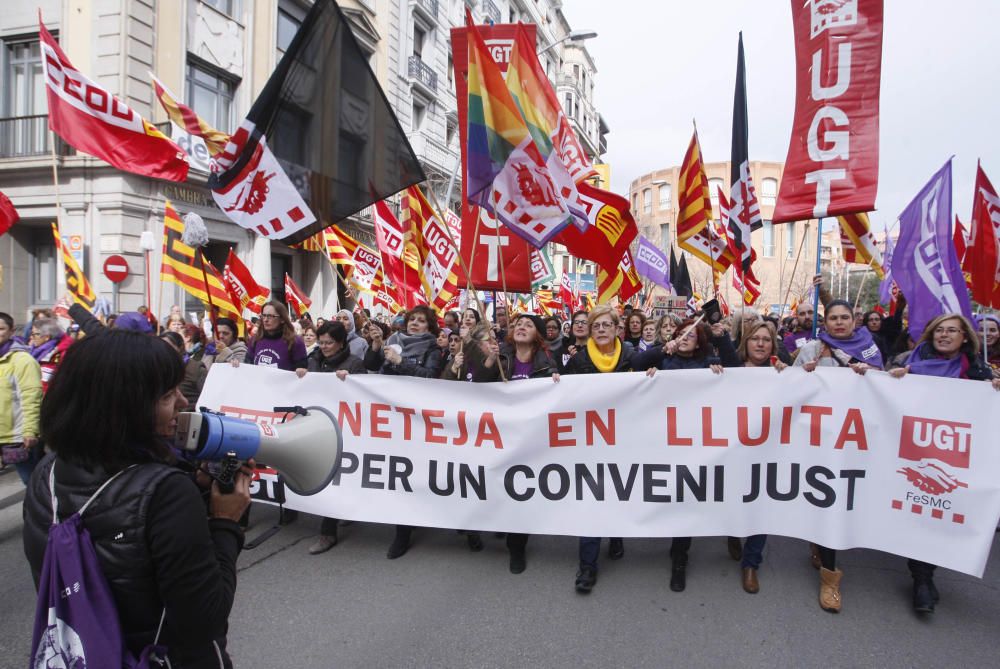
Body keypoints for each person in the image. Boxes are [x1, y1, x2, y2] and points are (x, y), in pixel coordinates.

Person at [22, 329, 251, 668]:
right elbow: (204, 622)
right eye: (166, 395)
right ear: (124, 408)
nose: (183, 403)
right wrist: (225, 522)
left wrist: (194, 485)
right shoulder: (167, 492)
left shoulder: (46, 473)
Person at [889, 314, 1000, 613]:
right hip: (910, 449)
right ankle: (921, 577)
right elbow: (881, 387)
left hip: (954, 456)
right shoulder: (908, 360)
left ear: (965, 337)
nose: (944, 335)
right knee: (916, 510)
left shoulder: (977, 370)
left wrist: (994, 390)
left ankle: (924, 578)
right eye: (939, 330)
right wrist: (894, 378)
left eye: (952, 330)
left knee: (936, 513)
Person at [633, 317, 740, 592]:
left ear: (699, 341)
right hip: (665, 442)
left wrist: (721, 345)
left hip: (698, 444)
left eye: (691, 335)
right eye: (680, 334)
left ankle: (680, 557)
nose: (684, 338)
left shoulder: (708, 364)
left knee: (687, 500)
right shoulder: (663, 361)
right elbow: (636, 364)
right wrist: (661, 351)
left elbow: (738, 371)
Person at [793, 299, 882, 613]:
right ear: (825, 322)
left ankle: (820, 543)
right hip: (818, 439)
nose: (840, 323)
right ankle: (830, 578)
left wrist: (868, 374)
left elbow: (886, 390)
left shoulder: (869, 350)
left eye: (845, 317)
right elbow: (788, 390)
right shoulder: (812, 350)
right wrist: (804, 373)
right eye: (833, 318)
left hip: (854, 440)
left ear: (854, 321)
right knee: (825, 499)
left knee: (840, 501)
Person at [474, 314, 558, 574]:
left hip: (530, 440)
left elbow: (556, 401)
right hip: (498, 437)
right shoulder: (502, 357)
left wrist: (556, 384)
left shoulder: (546, 362)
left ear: (538, 334)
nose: (522, 327)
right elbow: (475, 388)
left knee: (521, 491)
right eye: (518, 324)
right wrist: (489, 360)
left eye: (529, 325)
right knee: (499, 486)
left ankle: (517, 545)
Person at [365, 305, 446, 558]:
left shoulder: (433, 349)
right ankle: (402, 526)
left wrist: (400, 363)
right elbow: (370, 365)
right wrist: (377, 345)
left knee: (413, 471)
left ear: (429, 328)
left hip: (416, 419)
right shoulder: (392, 340)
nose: (415, 324)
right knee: (395, 470)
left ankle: (406, 531)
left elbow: (430, 376)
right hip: (389, 416)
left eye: (421, 321)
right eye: (412, 320)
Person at [562, 305, 632, 594]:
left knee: (617, 492)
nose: (601, 330)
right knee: (591, 499)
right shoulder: (578, 362)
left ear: (618, 329)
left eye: (606, 325)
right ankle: (588, 566)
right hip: (589, 441)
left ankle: (615, 533)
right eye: (596, 326)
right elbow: (559, 392)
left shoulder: (631, 358)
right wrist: (556, 380)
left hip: (624, 440)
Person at [302, 321, 368, 555]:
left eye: (329, 342)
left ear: (341, 343)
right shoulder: (313, 359)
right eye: (321, 342)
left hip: (345, 429)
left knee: (336, 477)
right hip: (318, 426)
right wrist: (302, 376)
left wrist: (351, 382)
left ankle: (327, 532)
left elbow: (364, 396)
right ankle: (340, 515)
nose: (324, 346)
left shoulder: (355, 364)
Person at [733, 321, 788, 594]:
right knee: (730, 496)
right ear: (746, 342)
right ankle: (732, 532)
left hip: (767, 452)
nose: (761, 344)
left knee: (760, 504)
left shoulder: (782, 373)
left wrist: (792, 375)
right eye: (755, 338)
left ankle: (751, 563)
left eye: (766, 339)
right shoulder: (730, 370)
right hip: (731, 449)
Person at [0, 312, 42, 485]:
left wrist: (30, 430)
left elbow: (31, 397)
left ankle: (43, 509)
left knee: (31, 480)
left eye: (1, 328)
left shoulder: (23, 360)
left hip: (15, 435)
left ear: (11, 331)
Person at [241, 301, 308, 373]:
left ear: (282, 319)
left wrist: (301, 369)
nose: (266, 320)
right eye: (264, 315)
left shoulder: (295, 342)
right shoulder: (255, 339)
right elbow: (247, 367)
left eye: (270, 316)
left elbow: (302, 370)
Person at [28, 317, 73, 392]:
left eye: (34, 334)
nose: (31, 337)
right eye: (31, 334)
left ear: (47, 337)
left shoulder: (60, 354)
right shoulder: (34, 351)